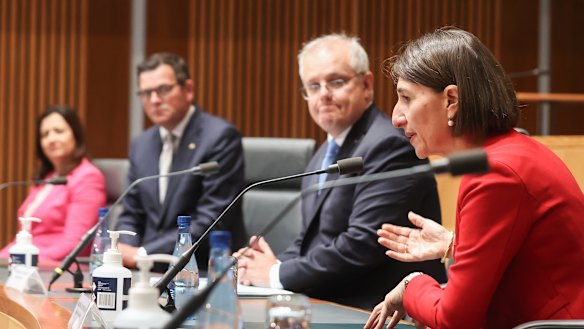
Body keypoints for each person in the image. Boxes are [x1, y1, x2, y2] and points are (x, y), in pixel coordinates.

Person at [365, 27, 584, 329]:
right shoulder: (509, 152)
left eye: (406, 98)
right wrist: (455, 245)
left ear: (451, 100)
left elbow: (455, 319)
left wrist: (412, 285)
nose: (396, 117)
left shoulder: (496, 172)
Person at [235, 33, 446, 310]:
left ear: (366, 84)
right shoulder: (324, 153)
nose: (323, 94)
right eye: (313, 85)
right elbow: (311, 240)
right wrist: (261, 266)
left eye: (336, 81)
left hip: (378, 309)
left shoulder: (390, 145)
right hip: (332, 301)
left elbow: (362, 244)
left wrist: (276, 274)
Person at [115, 52, 246, 270]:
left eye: (164, 90)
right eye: (147, 93)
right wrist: (123, 250)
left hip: (201, 271)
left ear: (188, 90)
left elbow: (211, 220)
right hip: (145, 270)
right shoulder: (142, 144)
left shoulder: (220, 137)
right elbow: (131, 212)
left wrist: (142, 254)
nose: (155, 100)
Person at [0, 105, 106, 261]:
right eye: (44, 134)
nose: (51, 139)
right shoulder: (46, 177)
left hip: (51, 268)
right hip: (21, 261)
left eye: (59, 131)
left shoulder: (88, 177)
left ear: (75, 135)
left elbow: (74, 244)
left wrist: (23, 260)